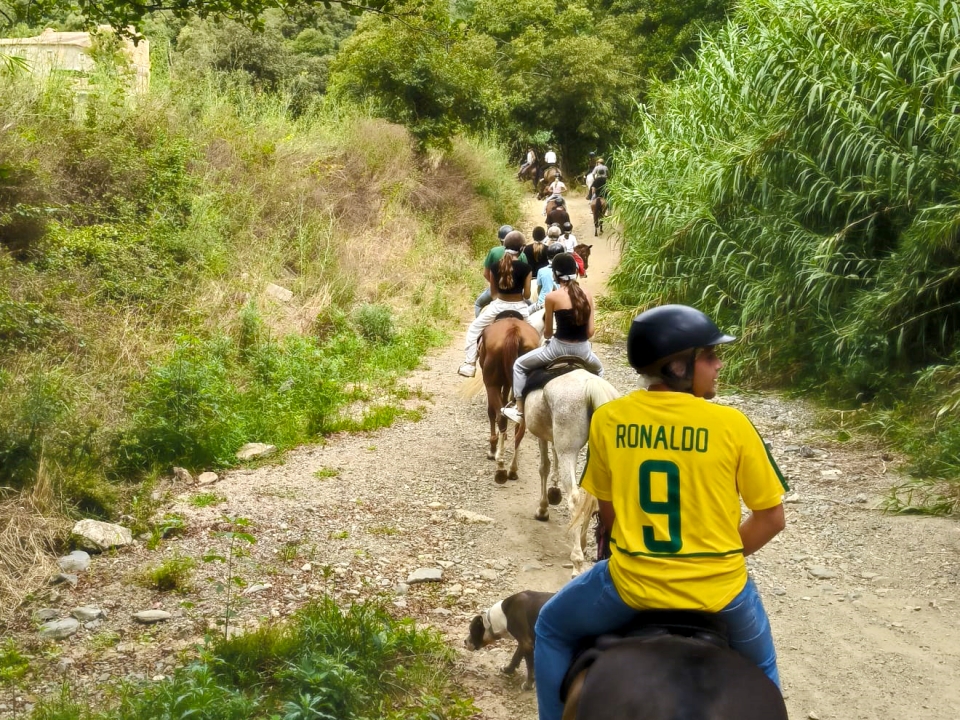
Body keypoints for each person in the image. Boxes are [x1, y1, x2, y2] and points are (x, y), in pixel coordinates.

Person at [533, 304, 788, 720]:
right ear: (676, 367)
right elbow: (771, 518)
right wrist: (715, 555)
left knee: (551, 628)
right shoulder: (733, 425)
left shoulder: (611, 419)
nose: (719, 364)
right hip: (721, 591)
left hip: (630, 585)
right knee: (762, 672)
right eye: (709, 356)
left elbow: (611, 519)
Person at [501, 253, 603, 423]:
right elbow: (590, 332)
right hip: (584, 351)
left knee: (519, 365)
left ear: (555, 274)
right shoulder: (588, 294)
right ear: (576, 272)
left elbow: (547, 333)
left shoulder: (552, 297)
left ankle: (519, 409)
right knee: (600, 371)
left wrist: (550, 334)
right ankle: (600, 410)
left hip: (557, 350)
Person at [458, 231, 533, 377]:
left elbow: (493, 293)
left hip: (498, 306)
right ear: (522, 248)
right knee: (537, 334)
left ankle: (469, 364)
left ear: (504, 245)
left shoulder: (494, 267)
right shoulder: (526, 269)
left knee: (474, 329)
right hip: (520, 308)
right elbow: (527, 295)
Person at [473, 225, 513, 318]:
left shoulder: (494, 251)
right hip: (515, 292)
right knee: (531, 306)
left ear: (500, 239)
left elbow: (486, 273)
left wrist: (495, 284)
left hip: (496, 289)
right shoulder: (521, 253)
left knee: (478, 304)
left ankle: (479, 330)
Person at [533, 242, 564, 310]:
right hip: (561, 303)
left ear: (547, 257)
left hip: (542, 303)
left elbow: (539, 289)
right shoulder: (566, 270)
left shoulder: (541, 271)